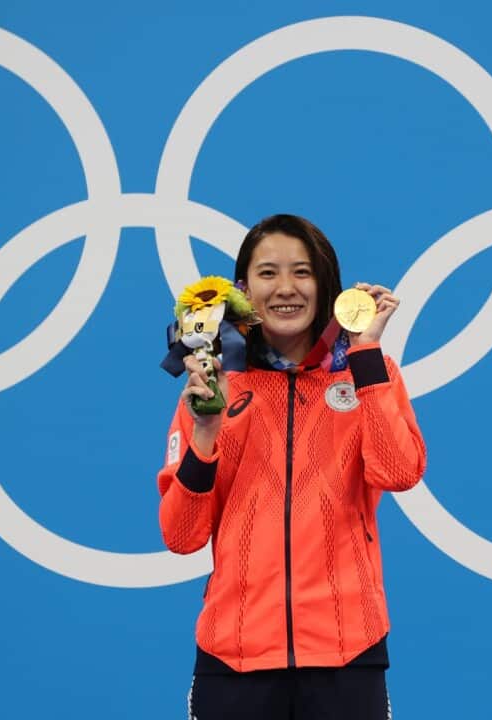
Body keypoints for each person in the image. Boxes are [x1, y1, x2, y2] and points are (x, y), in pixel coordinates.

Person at [157, 214, 427, 719]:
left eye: (302, 273)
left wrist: (365, 350)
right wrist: (206, 434)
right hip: (233, 656)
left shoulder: (369, 372)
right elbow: (181, 535)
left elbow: (400, 472)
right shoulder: (216, 385)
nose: (286, 288)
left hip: (347, 652)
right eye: (268, 273)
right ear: (241, 290)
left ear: (326, 285)